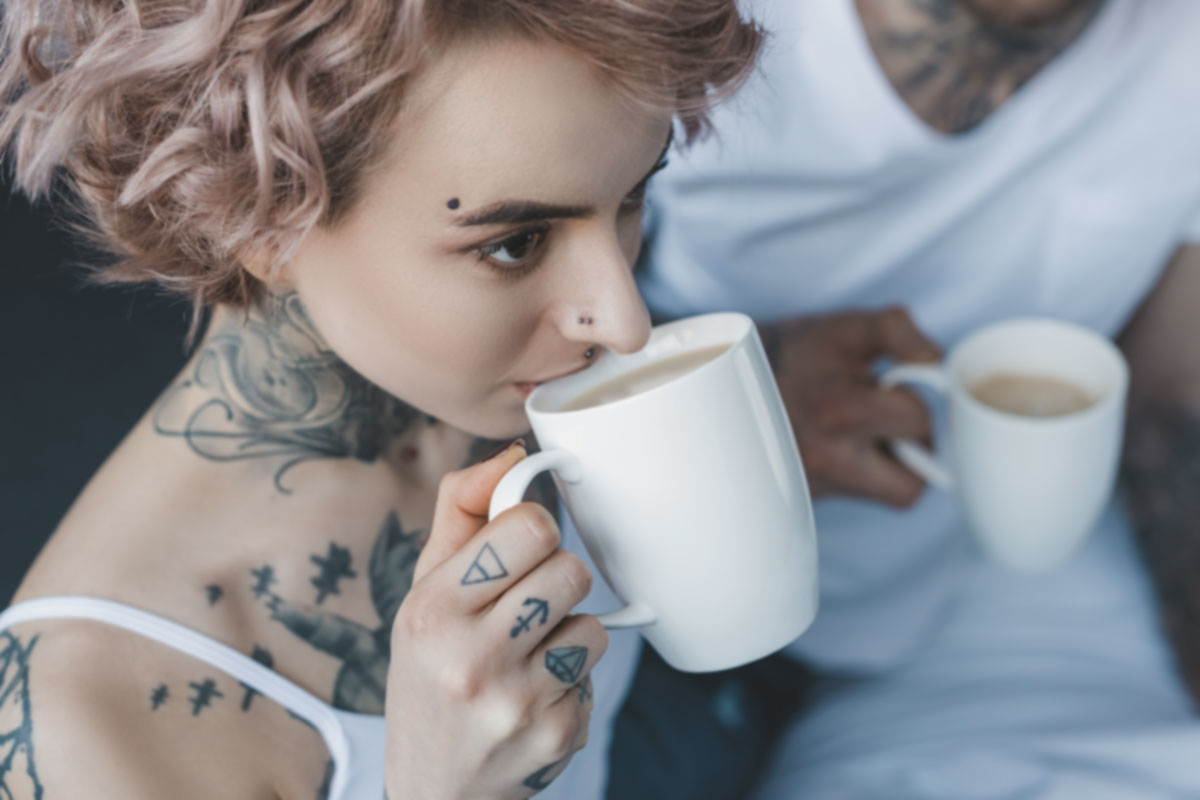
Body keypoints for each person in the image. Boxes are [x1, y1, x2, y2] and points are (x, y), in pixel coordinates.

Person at [0, 2, 762, 798]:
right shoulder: (90, 732)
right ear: (256, 219)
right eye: (514, 244)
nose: (626, 323)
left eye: (635, 196)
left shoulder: (494, 372)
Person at [615, 0, 1200, 796]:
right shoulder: (677, 23)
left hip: (949, 623)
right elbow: (482, 311)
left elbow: (1179, 412)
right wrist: (738, 404)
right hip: (652, 609)